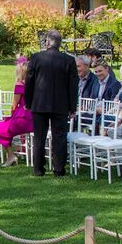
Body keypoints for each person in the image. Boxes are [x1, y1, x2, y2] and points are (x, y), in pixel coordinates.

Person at [22, 31, 79, 177]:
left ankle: (38, 169)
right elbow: (73, 86)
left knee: (39, 137)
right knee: (59, 136)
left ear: (47, 42)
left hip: (39, 104)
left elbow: (29, 82)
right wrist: (73, 107)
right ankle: (59, 169)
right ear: (59, 43)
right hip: (60, 105)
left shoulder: (36, 58)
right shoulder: (69, 60)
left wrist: (28, 102)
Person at [0, 54, 34, 167]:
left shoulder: (19, 86)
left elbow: (14, 106)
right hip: (33, 119)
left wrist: (11, 116)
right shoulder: (35, 84)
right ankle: (10, 157)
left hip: (22, 119)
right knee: (2, 129)